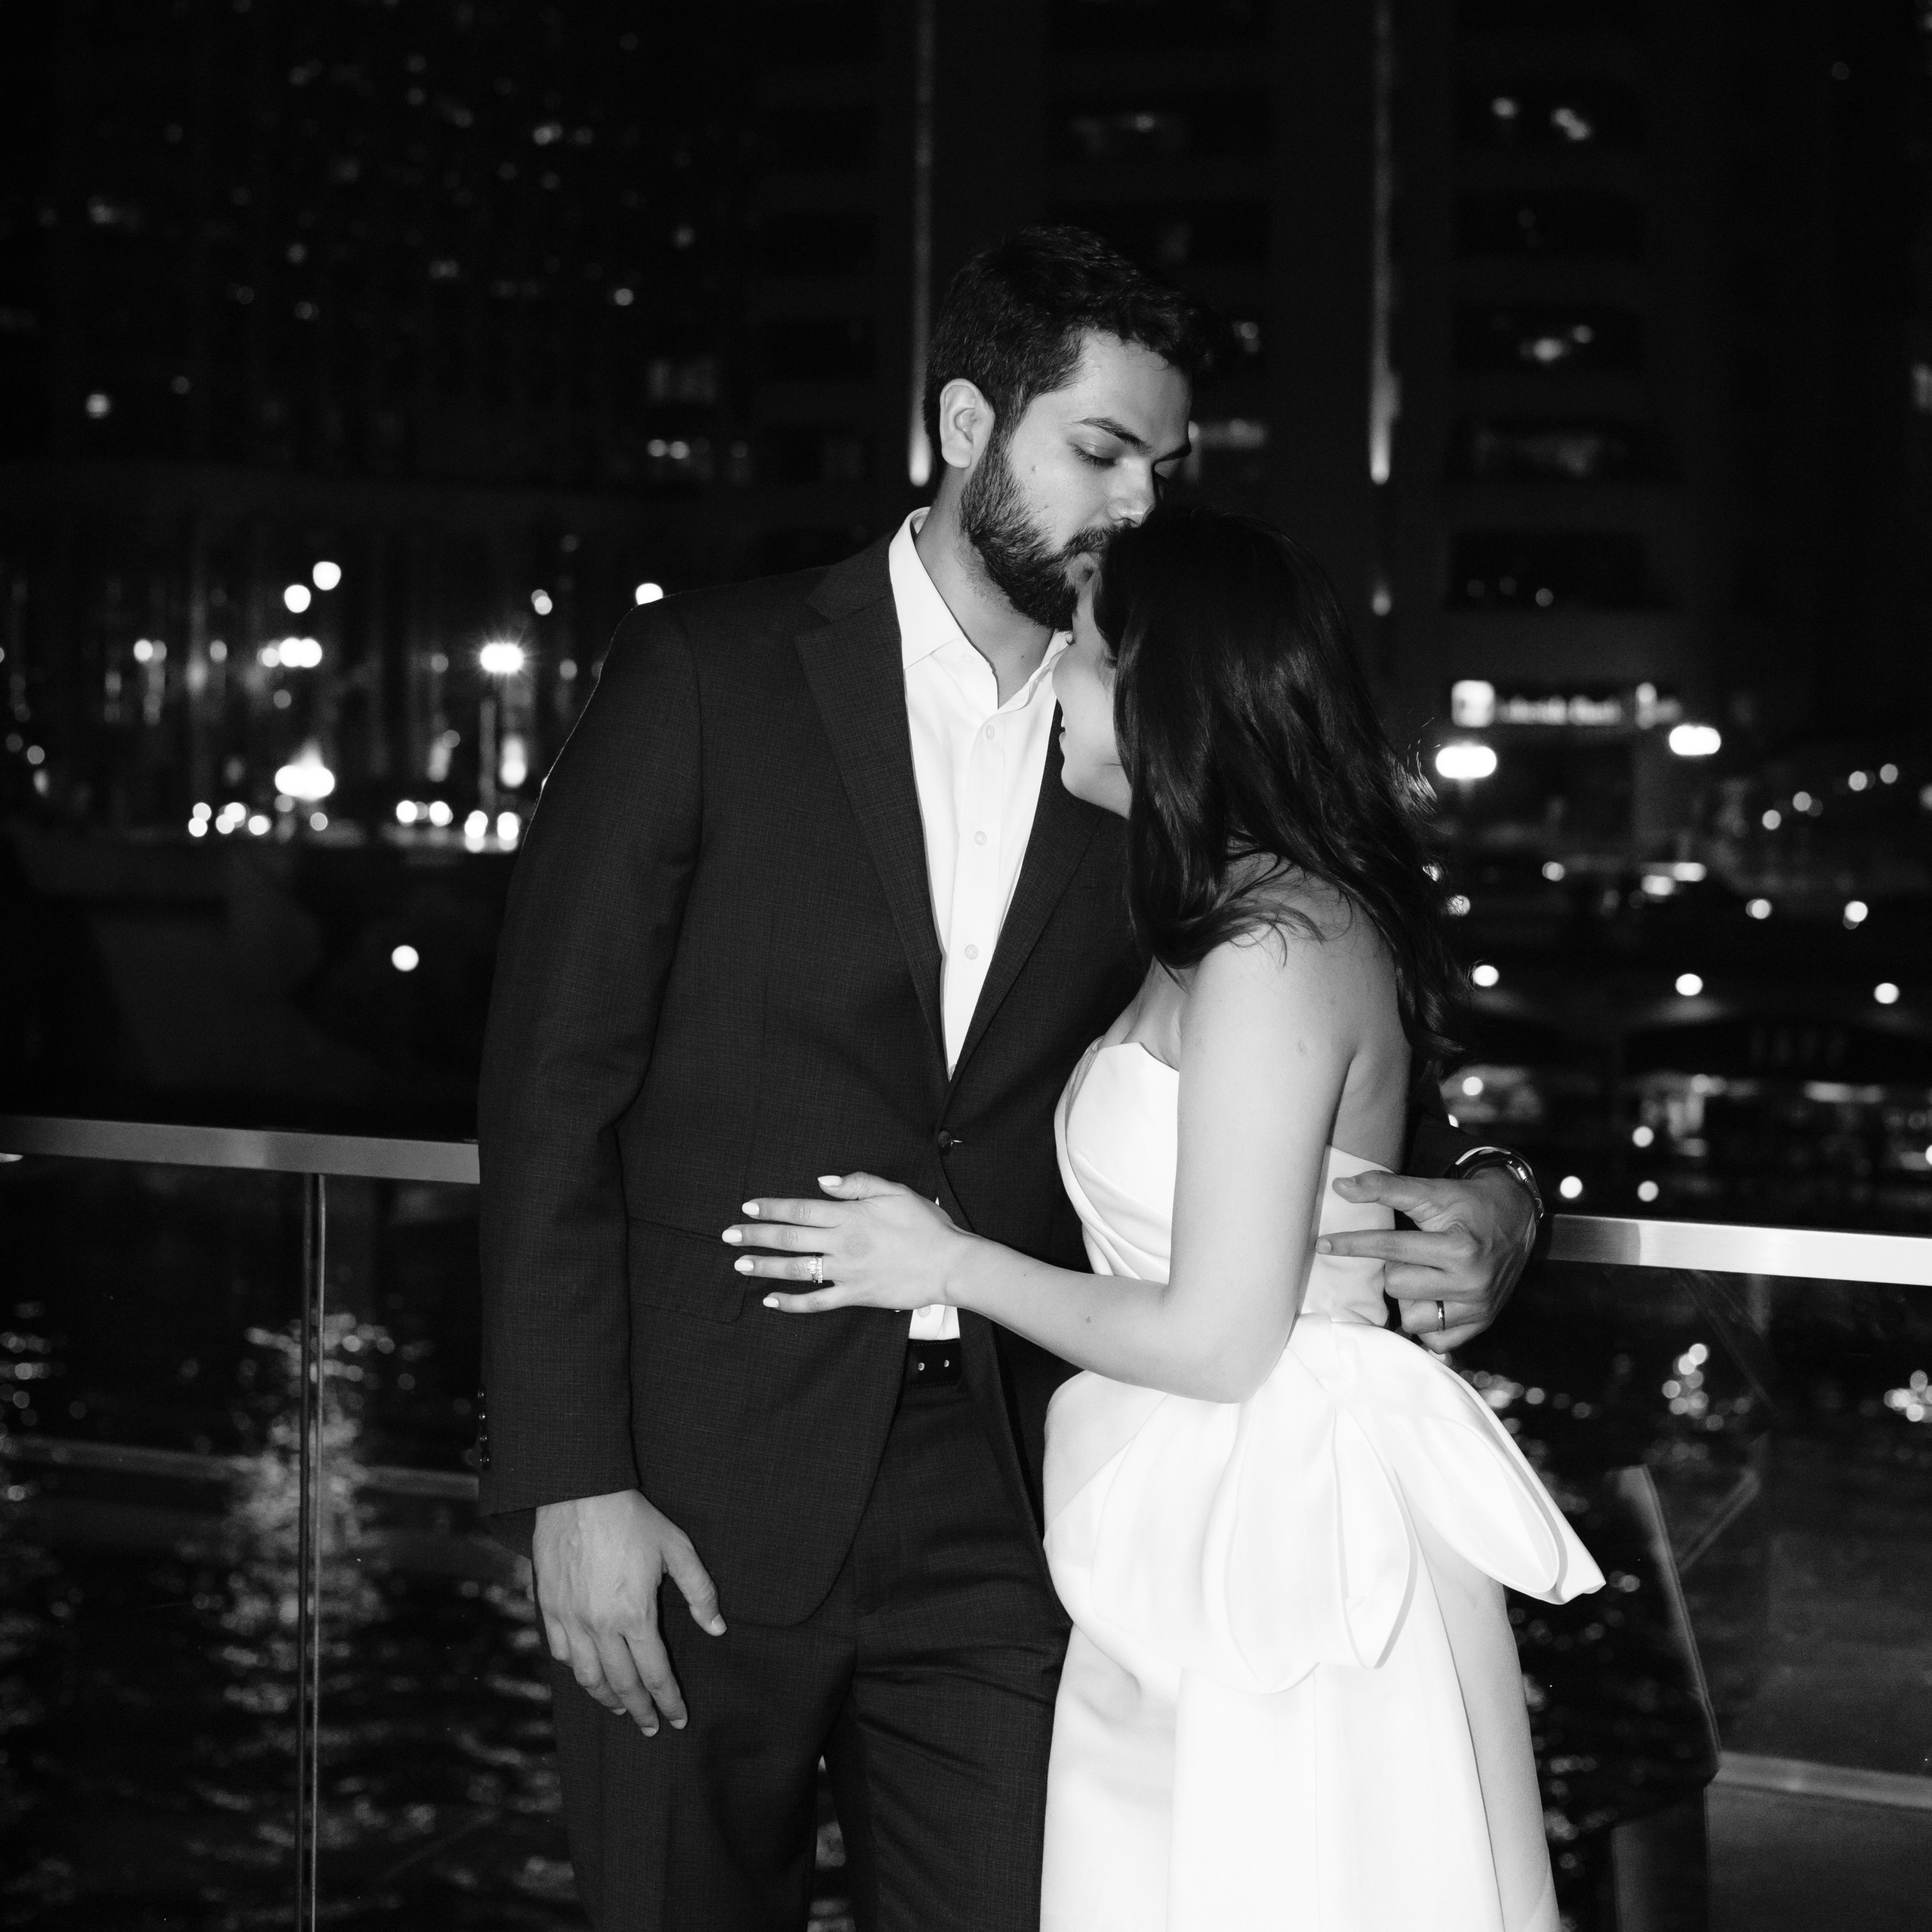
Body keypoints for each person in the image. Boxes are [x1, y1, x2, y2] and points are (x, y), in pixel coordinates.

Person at [476, 226, 1545, 1932]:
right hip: (693, 1482)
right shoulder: (707, 673)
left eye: (1164, 466)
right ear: (968, 423)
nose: (1136, 504)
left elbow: (1328, 1041)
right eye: (1099, 451)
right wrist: (567, 1478)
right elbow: (548, 1093)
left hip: (1020, 1494)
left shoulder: (1144, 743)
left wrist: (1498, 1184)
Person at [731, 505, 1604, 1931]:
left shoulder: (1273, 944)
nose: (1051, 672)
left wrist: (942, 1263)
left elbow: (1216, 1337)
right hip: (1196, 1507)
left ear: (1161, 683)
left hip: (1283, 1540)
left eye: (1077, 647)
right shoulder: (1220, 914)